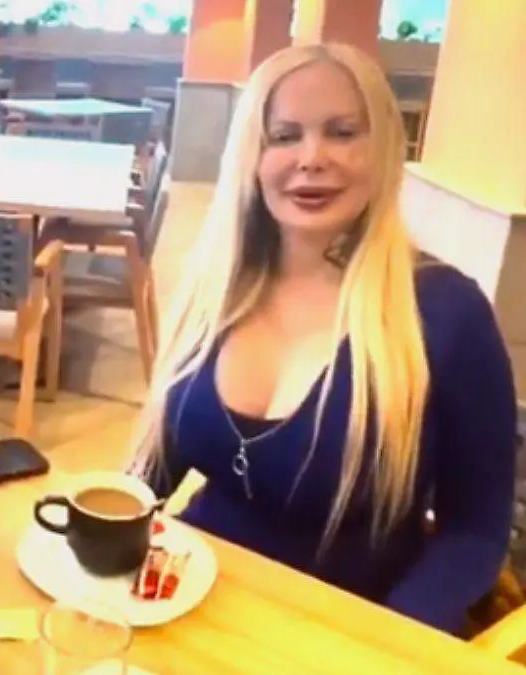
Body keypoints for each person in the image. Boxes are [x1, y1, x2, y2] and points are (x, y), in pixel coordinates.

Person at [131, 42, 516, 636]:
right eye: (284, 136)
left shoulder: (446, 313)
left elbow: (476, 531)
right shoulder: (216, 287)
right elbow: (155, 464)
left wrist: (387, 642)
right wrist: (103, 537)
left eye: (342, 133)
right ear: (252, 157)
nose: (312, 159)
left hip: (346, 629)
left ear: (383, 149)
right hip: (190, 604)